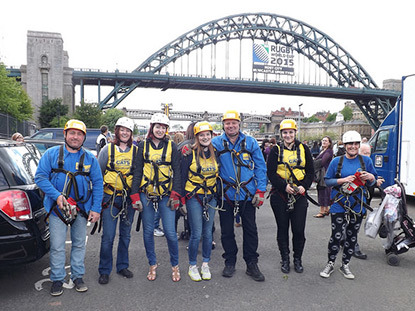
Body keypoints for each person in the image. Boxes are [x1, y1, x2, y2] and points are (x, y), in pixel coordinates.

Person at [34, 119, 103, 296]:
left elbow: (98, 183)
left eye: (79, 134)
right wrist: (57, 196)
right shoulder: (51, 155)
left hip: (81, 208)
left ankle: (78, 277)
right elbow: (40, 177)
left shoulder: (90, 158)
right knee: (57, 246)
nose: (75, 137)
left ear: (83, 138)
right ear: (65, 135)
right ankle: (57, 279)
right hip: (57, 210)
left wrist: (96, 209)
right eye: (72, 133)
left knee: (79, 244)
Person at [212, 110, 267, 282]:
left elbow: (260, 167)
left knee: (250, 230)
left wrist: (260, 190)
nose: (230, 126)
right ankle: (230, 261)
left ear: (239, 124)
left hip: (247, 194)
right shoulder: (216, 143)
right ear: (223, 125)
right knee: (227, 231)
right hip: (226, 194)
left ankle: (251, 263)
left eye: (233, 123)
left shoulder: (250, 142)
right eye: (227, 123)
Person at [130, 112, 182, 282]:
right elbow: (137, 171)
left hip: (166, 195)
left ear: (167, 129)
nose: (160, 130)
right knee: (147, 233)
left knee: (170, 232)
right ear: (152, 127)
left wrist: (176, 194)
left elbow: (178, 172)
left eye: (163, 127)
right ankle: (152, 264)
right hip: (146, 195)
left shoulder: (172, 146)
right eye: (158, 127)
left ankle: (175, 265)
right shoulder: (142, 146)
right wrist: (135, 195)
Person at [320, 130, 377, 280]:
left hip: (358, 205)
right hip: (339, 203)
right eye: (350, 144)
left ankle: (345, 264)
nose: (353, 146)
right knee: (336, 236)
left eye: (355, 144)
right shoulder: (336, 162)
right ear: (344, 145)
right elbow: (327, 180)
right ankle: (330, 263)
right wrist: (342, 180)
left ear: (359, 145)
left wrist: (371, 176)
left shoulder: (366, 161)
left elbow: (373, 181)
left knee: (352, 236)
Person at [266, 119, 314, 274]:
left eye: (290, 132)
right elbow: (271, 173)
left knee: (299, 230)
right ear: (281, 134)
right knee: (282, 229)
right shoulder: (275, 150)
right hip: (280, 194)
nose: (288, 135)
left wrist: (303, 186)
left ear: (295, 133)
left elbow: (310, 171)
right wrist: (284, 186)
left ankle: (297, 259)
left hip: (299, 194)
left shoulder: (304, 148)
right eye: (285, 133)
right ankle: (285, 258)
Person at [97, 117, 137, 285]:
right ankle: (104, 270)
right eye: (122, 130)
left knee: (126, 235)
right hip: (110, 198)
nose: (125, 133)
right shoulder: (107, 149)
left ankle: (122, 266)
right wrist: (97, 201)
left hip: (127, 199)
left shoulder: (136, 151)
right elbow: (98, 174)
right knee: (108, 236)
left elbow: (138, 175)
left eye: (128, 130)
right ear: (117, 131)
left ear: (131, 133)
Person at [180, 121, 218, 281]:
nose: (205, 137)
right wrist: (181, 201)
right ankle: (192, 266)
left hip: (211, 196)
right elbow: (181, 177)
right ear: (196, 136)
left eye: (207, 134)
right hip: (194, 196)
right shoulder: (188, 153)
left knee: (208, 233)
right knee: (196, 233)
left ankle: (205, 264)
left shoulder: (216, 152)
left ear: (211, 135)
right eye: (201, 135)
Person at [313, 136, 334, 218]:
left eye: (326, 141)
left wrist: (313, 163)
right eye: (323, 140)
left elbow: (322, 162)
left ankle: (322, 211)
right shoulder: (323, 151)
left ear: (329, 143)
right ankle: (326, 209)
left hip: (324, 173)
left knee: (322, 191)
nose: (324, 142)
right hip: (324, 173)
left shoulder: (328, 151)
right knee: (326, 191)